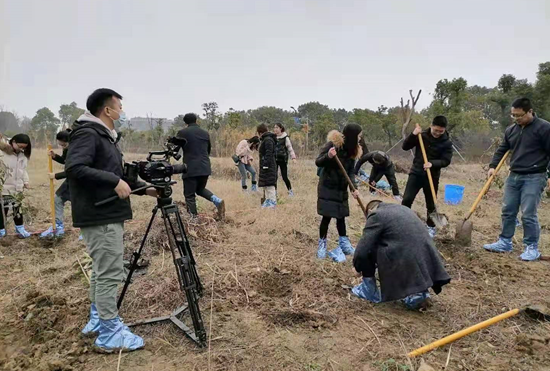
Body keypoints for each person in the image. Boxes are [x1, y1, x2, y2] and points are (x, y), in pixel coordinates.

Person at [65, 88, 157, 352]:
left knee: (101, 271)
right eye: (119, 106)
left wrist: (146, 188)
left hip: (103, 212)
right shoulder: (88, 133)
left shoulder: (105, 137)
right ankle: (109, 333)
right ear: (107, 110)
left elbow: (115, 173)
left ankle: (97, 319)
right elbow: (75, 168)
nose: (122, 111)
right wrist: (113, 181)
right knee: (109, 274)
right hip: (100, 214)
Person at [483, 98, 550, 261]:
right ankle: (505, 241)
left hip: (535, 176)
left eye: (519, 115)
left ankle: (531, 247)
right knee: (508, 210)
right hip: (514, 175)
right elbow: (502, 149)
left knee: (528, 213)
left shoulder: (544, 128)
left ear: (530, 112)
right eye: (513, 115)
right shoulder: (511, 130)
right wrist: (493, 166)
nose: (516, 119)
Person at [352, 200, 451, 309]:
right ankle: (420, 293)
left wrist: (358, 266)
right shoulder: (404, 209)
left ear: (370, 210)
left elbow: (364, 247)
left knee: (370, 248)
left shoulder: (377, 215)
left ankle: (368, 290)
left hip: (406, 256)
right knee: (406, 247)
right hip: (426, 257)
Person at [315, 124, 362, 262]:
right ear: (353, 136)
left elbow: (350, 172)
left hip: (341, 188)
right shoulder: (333, 144)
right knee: (327, 217)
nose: (360, 138)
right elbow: (318, 162)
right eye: (358, 136)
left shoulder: (352, 150)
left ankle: (344, 243)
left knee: (341, 217)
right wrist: (329, 156)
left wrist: (354, 188)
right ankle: (322, 245)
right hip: (328, 186)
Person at [401, 116, 453, 238]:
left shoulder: (446, 142)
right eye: (436, 130)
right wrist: (413, 134)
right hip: (416, 173)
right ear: (431, 126)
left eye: (441, 131)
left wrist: (432, 164)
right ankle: (402, 223)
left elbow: (446, 160)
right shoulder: (421, 136)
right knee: (407, 199)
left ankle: (431, 227)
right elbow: (405, 147)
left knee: (431, 204)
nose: (438, 133)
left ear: (444, 129)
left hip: (432, 176)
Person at [177, 113, 225, 220]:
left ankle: (193, 220)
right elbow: (208, 150)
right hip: (205, 166)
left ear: (185, 122)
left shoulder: (182, 132)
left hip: (190, 168)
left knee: (189, 195)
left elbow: (175, 149)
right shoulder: (205, 133)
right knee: (200, 189)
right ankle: (217, 200)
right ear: (196, 120)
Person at [40, 130, 72, 238]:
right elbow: (64, 160)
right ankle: (58, 226)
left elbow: (74, 170)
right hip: (70, 181)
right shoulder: (67, 149)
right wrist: (54, 156)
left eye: (64, 144)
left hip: (80, 182)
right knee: (58, 199)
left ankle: (86, 230)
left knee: (80, 204)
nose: (62, 146)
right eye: (60, 145)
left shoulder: (77, 150)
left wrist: (56, 176)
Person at [0, 133, 32, 238]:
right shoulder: (2, 153)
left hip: (17, 188)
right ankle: (1, 230)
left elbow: (23, 170)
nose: (21, 149)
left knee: (17, 209)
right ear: (13, 142)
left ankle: (20, 228)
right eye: (20, 146)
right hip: (4, 188)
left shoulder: (22, 155)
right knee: (2, 210)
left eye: (24, 147)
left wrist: (26, 181)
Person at [257, 124, 278, 208]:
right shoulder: (265, 139)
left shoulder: (268, 139)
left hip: (269, 165)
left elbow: (269, 153)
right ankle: (268, 200)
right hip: (264, 165)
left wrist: (266, 164)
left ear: (260, 132)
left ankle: (273, 201)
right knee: (266, 184)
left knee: (270, 184)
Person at [273, 123, 297, 196]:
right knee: (274, 177)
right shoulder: (273, 138)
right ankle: (275, 192)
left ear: (281, 128)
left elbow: (290, 148)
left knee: (284, 177)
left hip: (283, 160)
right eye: (274, 128)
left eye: (277, 127)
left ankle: (290, 191)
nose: (275, 129)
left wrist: (293, 158)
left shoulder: (285, 137)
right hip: (274, 160)